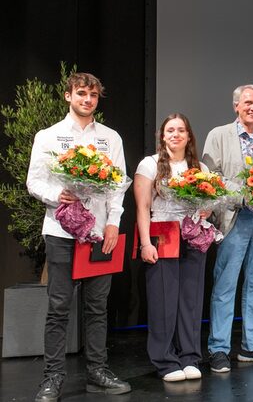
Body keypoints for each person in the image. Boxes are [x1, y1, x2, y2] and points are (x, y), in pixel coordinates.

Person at [27, 72, 131, 401]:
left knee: (97, 308)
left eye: (94, 95)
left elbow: (117, 185)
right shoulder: (49, 136)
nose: (88, 100)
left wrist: (114, 223)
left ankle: (97, 372)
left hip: (99, 233)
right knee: (59, 307)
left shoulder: (110, 138)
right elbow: (34, 181)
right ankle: (52, 377)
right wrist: (58, 195)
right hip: (60, 231)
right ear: (68, 96)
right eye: (82, 93)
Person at [202, 84, 253, 373]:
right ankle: (219, 348)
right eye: (248, 102)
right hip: (234, 216)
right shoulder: (219, 135)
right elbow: (210, 178)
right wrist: (244, 195)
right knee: (226, 283)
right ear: (236, 105)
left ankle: (252, 345)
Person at [133, 113, 209, 381]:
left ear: (189, 136)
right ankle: (165, 361)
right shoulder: (149, 165)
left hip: (192, 237)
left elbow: (208, 205)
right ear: (162, 136)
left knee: (190, 300)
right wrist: (144, 243)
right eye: (170, 130)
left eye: (181, 130)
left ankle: (189, 357)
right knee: (163, 301)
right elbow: (142, 208)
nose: (175, 134)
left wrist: (206, 210)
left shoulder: (200, 167)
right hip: (162, 234)